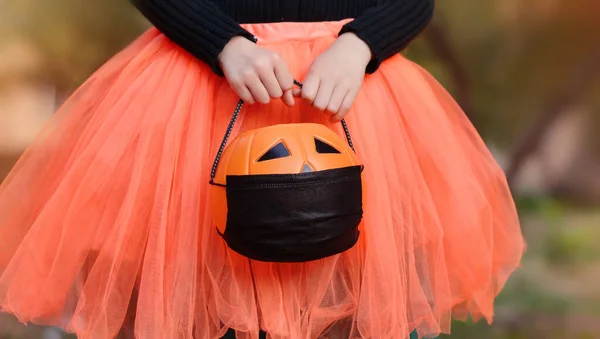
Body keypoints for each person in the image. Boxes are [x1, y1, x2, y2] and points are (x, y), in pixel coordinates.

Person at [0, 0, 525, 338]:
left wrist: (361, 44)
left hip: (350, 85)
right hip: (202, 85)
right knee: (194, 298)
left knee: (353, 305)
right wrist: (221, 43)